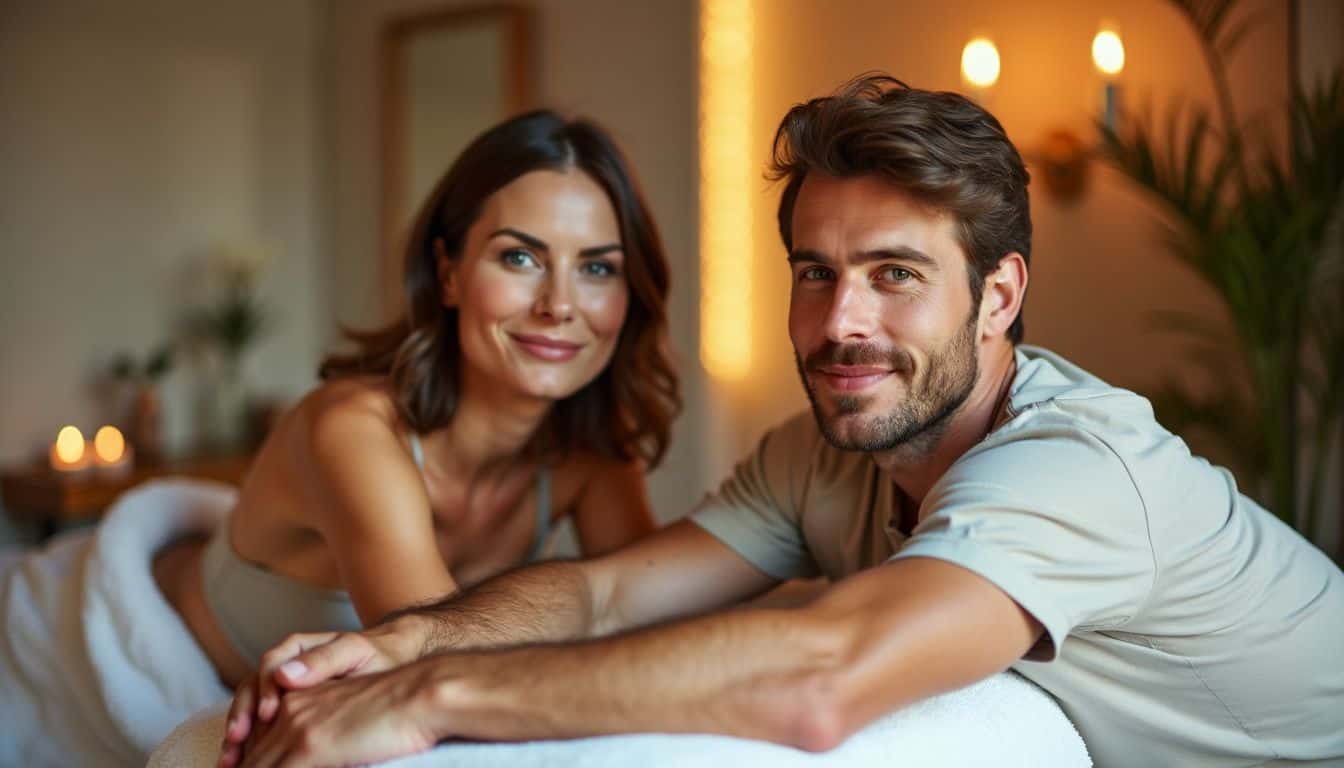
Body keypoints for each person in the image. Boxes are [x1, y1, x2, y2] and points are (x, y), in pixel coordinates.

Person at [220, 75, 1344, 768]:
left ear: (998, 296)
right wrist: (404, 639)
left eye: (895, 274)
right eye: (817, 272)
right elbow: (612, 588)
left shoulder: (1074, 466)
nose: (840, 323)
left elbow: (821, 680)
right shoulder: (817, 456)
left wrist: (428, 696)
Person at [154, 109, 680, 689]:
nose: (558, 304)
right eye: (520, 258)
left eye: (598, 267)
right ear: (448, 272)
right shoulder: (351, 429)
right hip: (119, 669)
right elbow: (442, 670)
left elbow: (657, 630)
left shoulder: (591, 451)